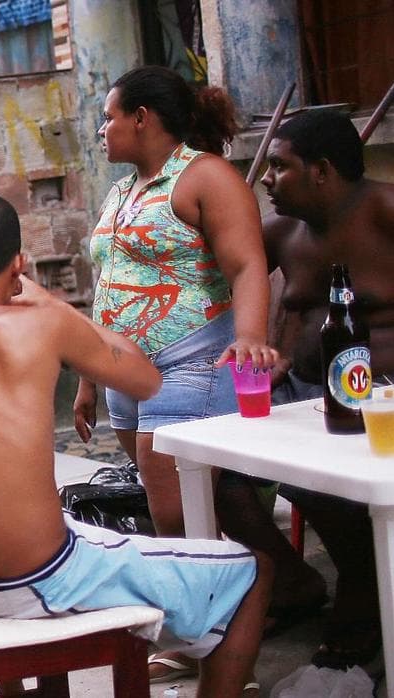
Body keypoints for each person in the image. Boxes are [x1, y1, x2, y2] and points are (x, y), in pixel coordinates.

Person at [0, 191, 272, 697]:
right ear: (19, 263)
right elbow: (146, 380)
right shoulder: (43, 324)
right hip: (40, 579)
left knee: (77, 530)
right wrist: (57, 304)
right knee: (250, 573)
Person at [212, 109, 394, 671]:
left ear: (321, 171)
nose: (266, 178)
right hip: (304, 397)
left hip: (382, 402)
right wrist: (269, 350)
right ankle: (294, 581)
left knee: (319, 480)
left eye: (279, 166)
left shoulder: (387, 211)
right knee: (226, 482)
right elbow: (221, 280)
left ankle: (364, 590)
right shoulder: (281, 232)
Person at [75, 65, 278, 537]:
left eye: (109, 118)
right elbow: (109, 281)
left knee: (174, 519)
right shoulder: (123, 190)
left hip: (191, 363)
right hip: (124, 373)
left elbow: (248, 265)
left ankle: (237, 594)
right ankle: (279, 581)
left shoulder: (205, 176)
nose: (103, 130)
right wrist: (88, 376)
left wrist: (250, 339)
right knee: (187, 506)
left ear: (141, 117)